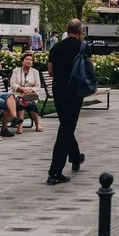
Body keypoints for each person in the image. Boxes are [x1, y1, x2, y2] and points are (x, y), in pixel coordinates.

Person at [47, 18, 90, 185]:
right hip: (74, 91)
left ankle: (75, 156)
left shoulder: (56, 47)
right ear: (80, 32)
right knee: (66, 129)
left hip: (58, 91)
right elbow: (89, 68)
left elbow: (50, 72)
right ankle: (54, 172)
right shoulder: (82, 47)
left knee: (66, 125)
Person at [10, 51, 44, 133]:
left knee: (31, 103)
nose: (29, 61)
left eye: (31, 60)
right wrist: (22, 89)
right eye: (27, 59)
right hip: (18, 94)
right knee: (20, 102)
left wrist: (29, 90)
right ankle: (20, 126)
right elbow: (12, 84)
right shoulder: (16, 71)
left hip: (30, 95)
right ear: (22, 61)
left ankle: (37, 124)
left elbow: (37, 86)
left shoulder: (35, 72)